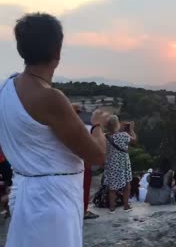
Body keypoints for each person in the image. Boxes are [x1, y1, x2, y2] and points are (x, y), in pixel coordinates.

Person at [0, 13, 108, 247]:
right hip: (52, 202)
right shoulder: (50, 98)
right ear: (57, 51)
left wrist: (65, 113)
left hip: (25, 195)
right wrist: (97, 125)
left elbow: (29, 121)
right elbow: (97, 156)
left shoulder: (6, 88)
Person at [104, 115, 137, 213]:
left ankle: (112, 208)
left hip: (112, 163)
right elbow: (134, 141)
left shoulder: (106, 136)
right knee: (127, 184)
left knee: (112, 187)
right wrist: (131, 129)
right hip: (123, 162)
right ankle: (126, 206)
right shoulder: (124, 135)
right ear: (117, 124)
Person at [72, 104, 100, 220]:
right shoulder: (85, 127)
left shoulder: (64, 125)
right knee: (84, 187)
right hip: (83, 162)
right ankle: (83, 211)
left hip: (70, 164)